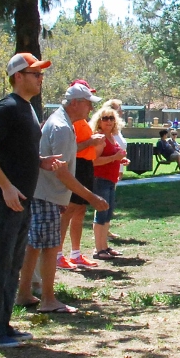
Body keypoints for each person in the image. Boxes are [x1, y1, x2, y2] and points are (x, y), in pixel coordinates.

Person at [0, 53, 65, 348]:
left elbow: (14, 151)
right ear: (18, 76)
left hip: (22, 199)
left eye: (41, 74)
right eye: (35, 73)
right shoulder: (7, 108)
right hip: (6, 200)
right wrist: (5, 187)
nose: (40, 79)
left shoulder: (27, 109)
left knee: (12, 265)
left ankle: (2, 324)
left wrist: (40, 161)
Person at [15, 88, 108, 313]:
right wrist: (92, 197)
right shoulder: (63, 128)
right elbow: (62, 173)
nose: (91, 108)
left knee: (34, 246)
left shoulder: (60, 122)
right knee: (49, 248)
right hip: (46, 196)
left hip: (43, 194)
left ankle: (24, 293)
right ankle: (48, 300)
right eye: (88, 103)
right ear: (75, 103)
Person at [61, 80, 107, 269]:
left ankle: (75, 253)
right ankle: (57, 254)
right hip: (77, 166)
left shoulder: (82, 120)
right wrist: (90, 142)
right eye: (87, 99)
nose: (90, 105)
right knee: (68, 211)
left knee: (80, 210)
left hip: (86, 165)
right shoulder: (69, 122)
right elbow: (70, 149)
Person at [90, 102, 128, 260]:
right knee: (101, 214)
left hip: (111, 179)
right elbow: (94, 161)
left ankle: (104, 246)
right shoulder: (99, 138)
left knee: (107, 214)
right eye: (105, 118)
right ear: (99, 121)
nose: (109, 121)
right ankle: (98, 250)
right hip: (101, 180)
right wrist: (114, 157)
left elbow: (113, 157)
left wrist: (120, 160)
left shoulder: (111, 137)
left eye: (111, 118)